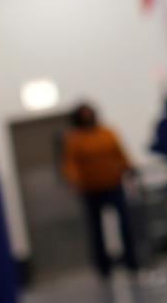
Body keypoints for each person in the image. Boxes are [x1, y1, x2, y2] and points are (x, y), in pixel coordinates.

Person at [61, 102, 140, 278]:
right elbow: (71, 163)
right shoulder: (74, 139)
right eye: (84, 114)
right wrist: (73, 180)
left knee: (124, 224)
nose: (87, 116)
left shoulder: (107, 133)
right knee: (96, 229)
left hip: (113, 185)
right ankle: (104, 267)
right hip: (91, 190)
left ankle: (131, 261)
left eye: (89, 113)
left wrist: (129, 167)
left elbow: (119, 153)